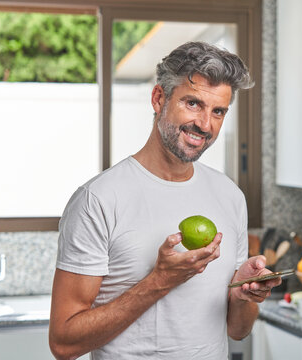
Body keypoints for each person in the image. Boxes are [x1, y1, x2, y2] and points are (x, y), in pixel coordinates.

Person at [49, 41, 281, 360]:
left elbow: (237, 330)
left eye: (218, 111)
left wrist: (243, 296)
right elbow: (63, 343)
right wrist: (159, 281)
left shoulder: (230, 196)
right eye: (193, 104)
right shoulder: (98, 200)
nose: (205, 124)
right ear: (159, 98)